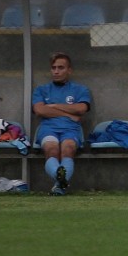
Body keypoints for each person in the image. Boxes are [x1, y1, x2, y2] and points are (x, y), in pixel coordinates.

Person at [33, 52, 92, 196]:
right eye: (53, 68)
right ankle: (61, 184)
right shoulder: (41, 89)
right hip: (48, 129)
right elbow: (40, 110)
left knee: (68, 149)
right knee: (51, 149)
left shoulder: (80, 89)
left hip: (71, 129)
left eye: (60, 68)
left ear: (69, 70)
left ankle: (60, 184)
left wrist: (53, 106)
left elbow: (82, 108)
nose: (56, 71)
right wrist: (68, 114)